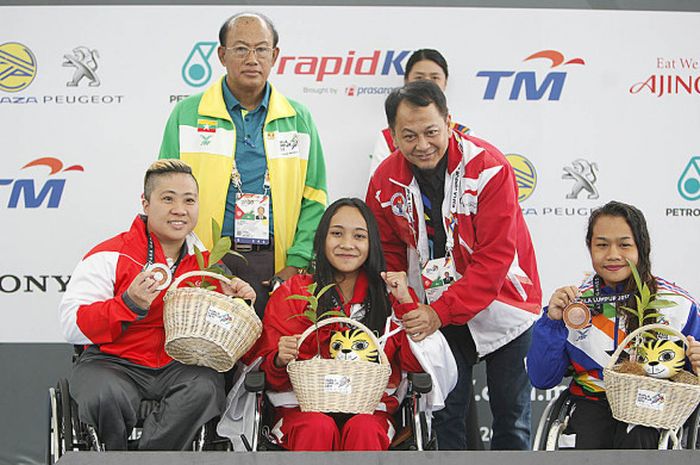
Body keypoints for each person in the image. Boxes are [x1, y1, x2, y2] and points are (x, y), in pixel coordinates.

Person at [366, 80, 541, 450]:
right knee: (447, 416)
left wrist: (437, 313)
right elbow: (389, 257)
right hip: (435, 307)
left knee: (511, 418)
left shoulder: (489, 168)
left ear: (449, 122)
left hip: (504, 303)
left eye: (431, 131)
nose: (422, 145)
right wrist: (409, 306)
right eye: (408, 136)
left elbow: (494, 261)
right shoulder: (384, 180)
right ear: (393, 135)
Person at [58, 160, 256, 450]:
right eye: (168, 199)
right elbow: (72, 325)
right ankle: (114, 457)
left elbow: (227, 332)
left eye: (189, 200)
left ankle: (149, 459)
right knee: (104, 394)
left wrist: (240, 301)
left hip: (180, 364)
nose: (180, 209)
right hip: (113, 363)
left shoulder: (208, 264)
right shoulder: (109, 255)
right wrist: (127, 304)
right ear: (146, 203)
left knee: (205, 388)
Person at [159, 12, 327, 317]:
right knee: (208, 358)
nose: (252, 59)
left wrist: (297, 263)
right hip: (206, 259)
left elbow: (314, 198)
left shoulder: (298, 118)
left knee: (275, 357)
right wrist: (195, 261)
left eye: (261, 49)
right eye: (241, 49)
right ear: (222, 55)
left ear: (274, 56)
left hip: (275, 262)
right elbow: (166, 194)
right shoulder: (187, 114)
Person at [251, 198, 425, 450]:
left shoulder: (391, 295)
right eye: (336, 234)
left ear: (372, 243)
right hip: (299, 409)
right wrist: (279, 359)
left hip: (371, 411)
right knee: (316, 427)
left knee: (363, 429)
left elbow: (414, 364)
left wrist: (406, 303)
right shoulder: (293, 292)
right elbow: (267, 376)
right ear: (321, 239)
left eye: (359, 236)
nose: (347, 245)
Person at [527, 201, 700, 449]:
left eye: (624, 244)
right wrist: (552, 323)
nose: (613, 255)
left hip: (654, 406)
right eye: (602, 245)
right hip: (592, 402)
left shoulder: (677, 305)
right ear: (589, 248)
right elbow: (542, 378)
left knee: (640, 433)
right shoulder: (574, 306)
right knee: (589, 431)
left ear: (642, 247)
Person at [368, 49, 470, 177]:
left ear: (445, 82)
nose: (423, 145)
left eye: (434, 77)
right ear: (406, 81)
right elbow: (379, 182)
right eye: (419, 77)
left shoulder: (465, 135)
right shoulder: (387, 138)